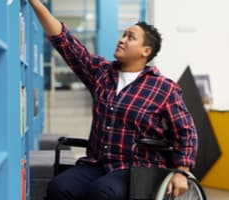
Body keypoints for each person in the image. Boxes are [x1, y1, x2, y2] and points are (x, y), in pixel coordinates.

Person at [28, 0, 198, 199]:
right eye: (123, 34)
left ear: (146, 51)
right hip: (98, 163)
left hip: (136, 169)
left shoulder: (164, 88)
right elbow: (65, 42)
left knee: (103, 192)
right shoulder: (101, 73)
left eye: (130, 37)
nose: (122, 40)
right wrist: (35, 3)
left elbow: (187, 131)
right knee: (59, 187)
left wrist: (182, 171)